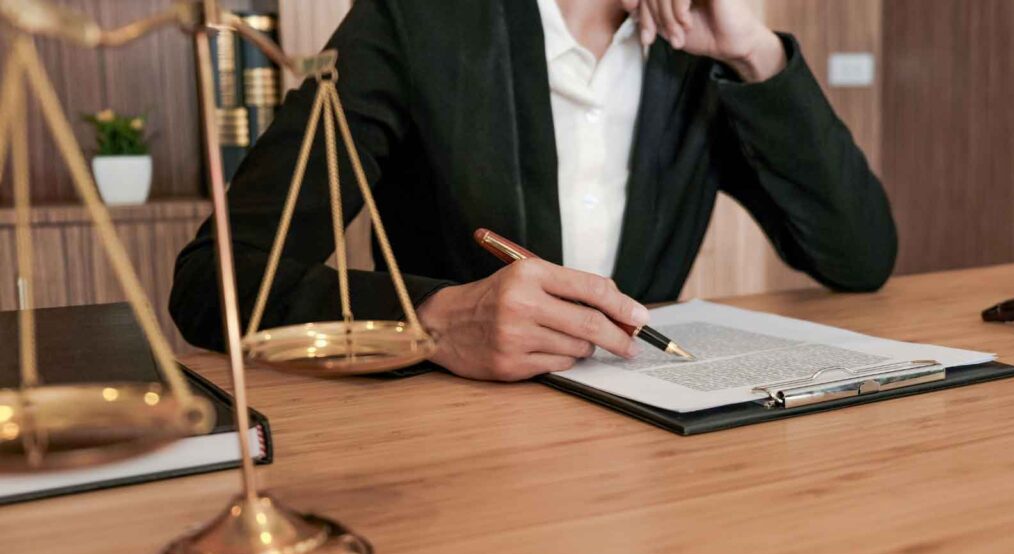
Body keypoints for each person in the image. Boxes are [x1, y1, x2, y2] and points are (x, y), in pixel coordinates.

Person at [170, 0, 898, 382]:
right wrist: (433, 321)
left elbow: (858, 257)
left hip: (655, 446)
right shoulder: (413, 20)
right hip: (457, 450)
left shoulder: (695, 53)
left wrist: (754, 52)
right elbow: (215, 282)